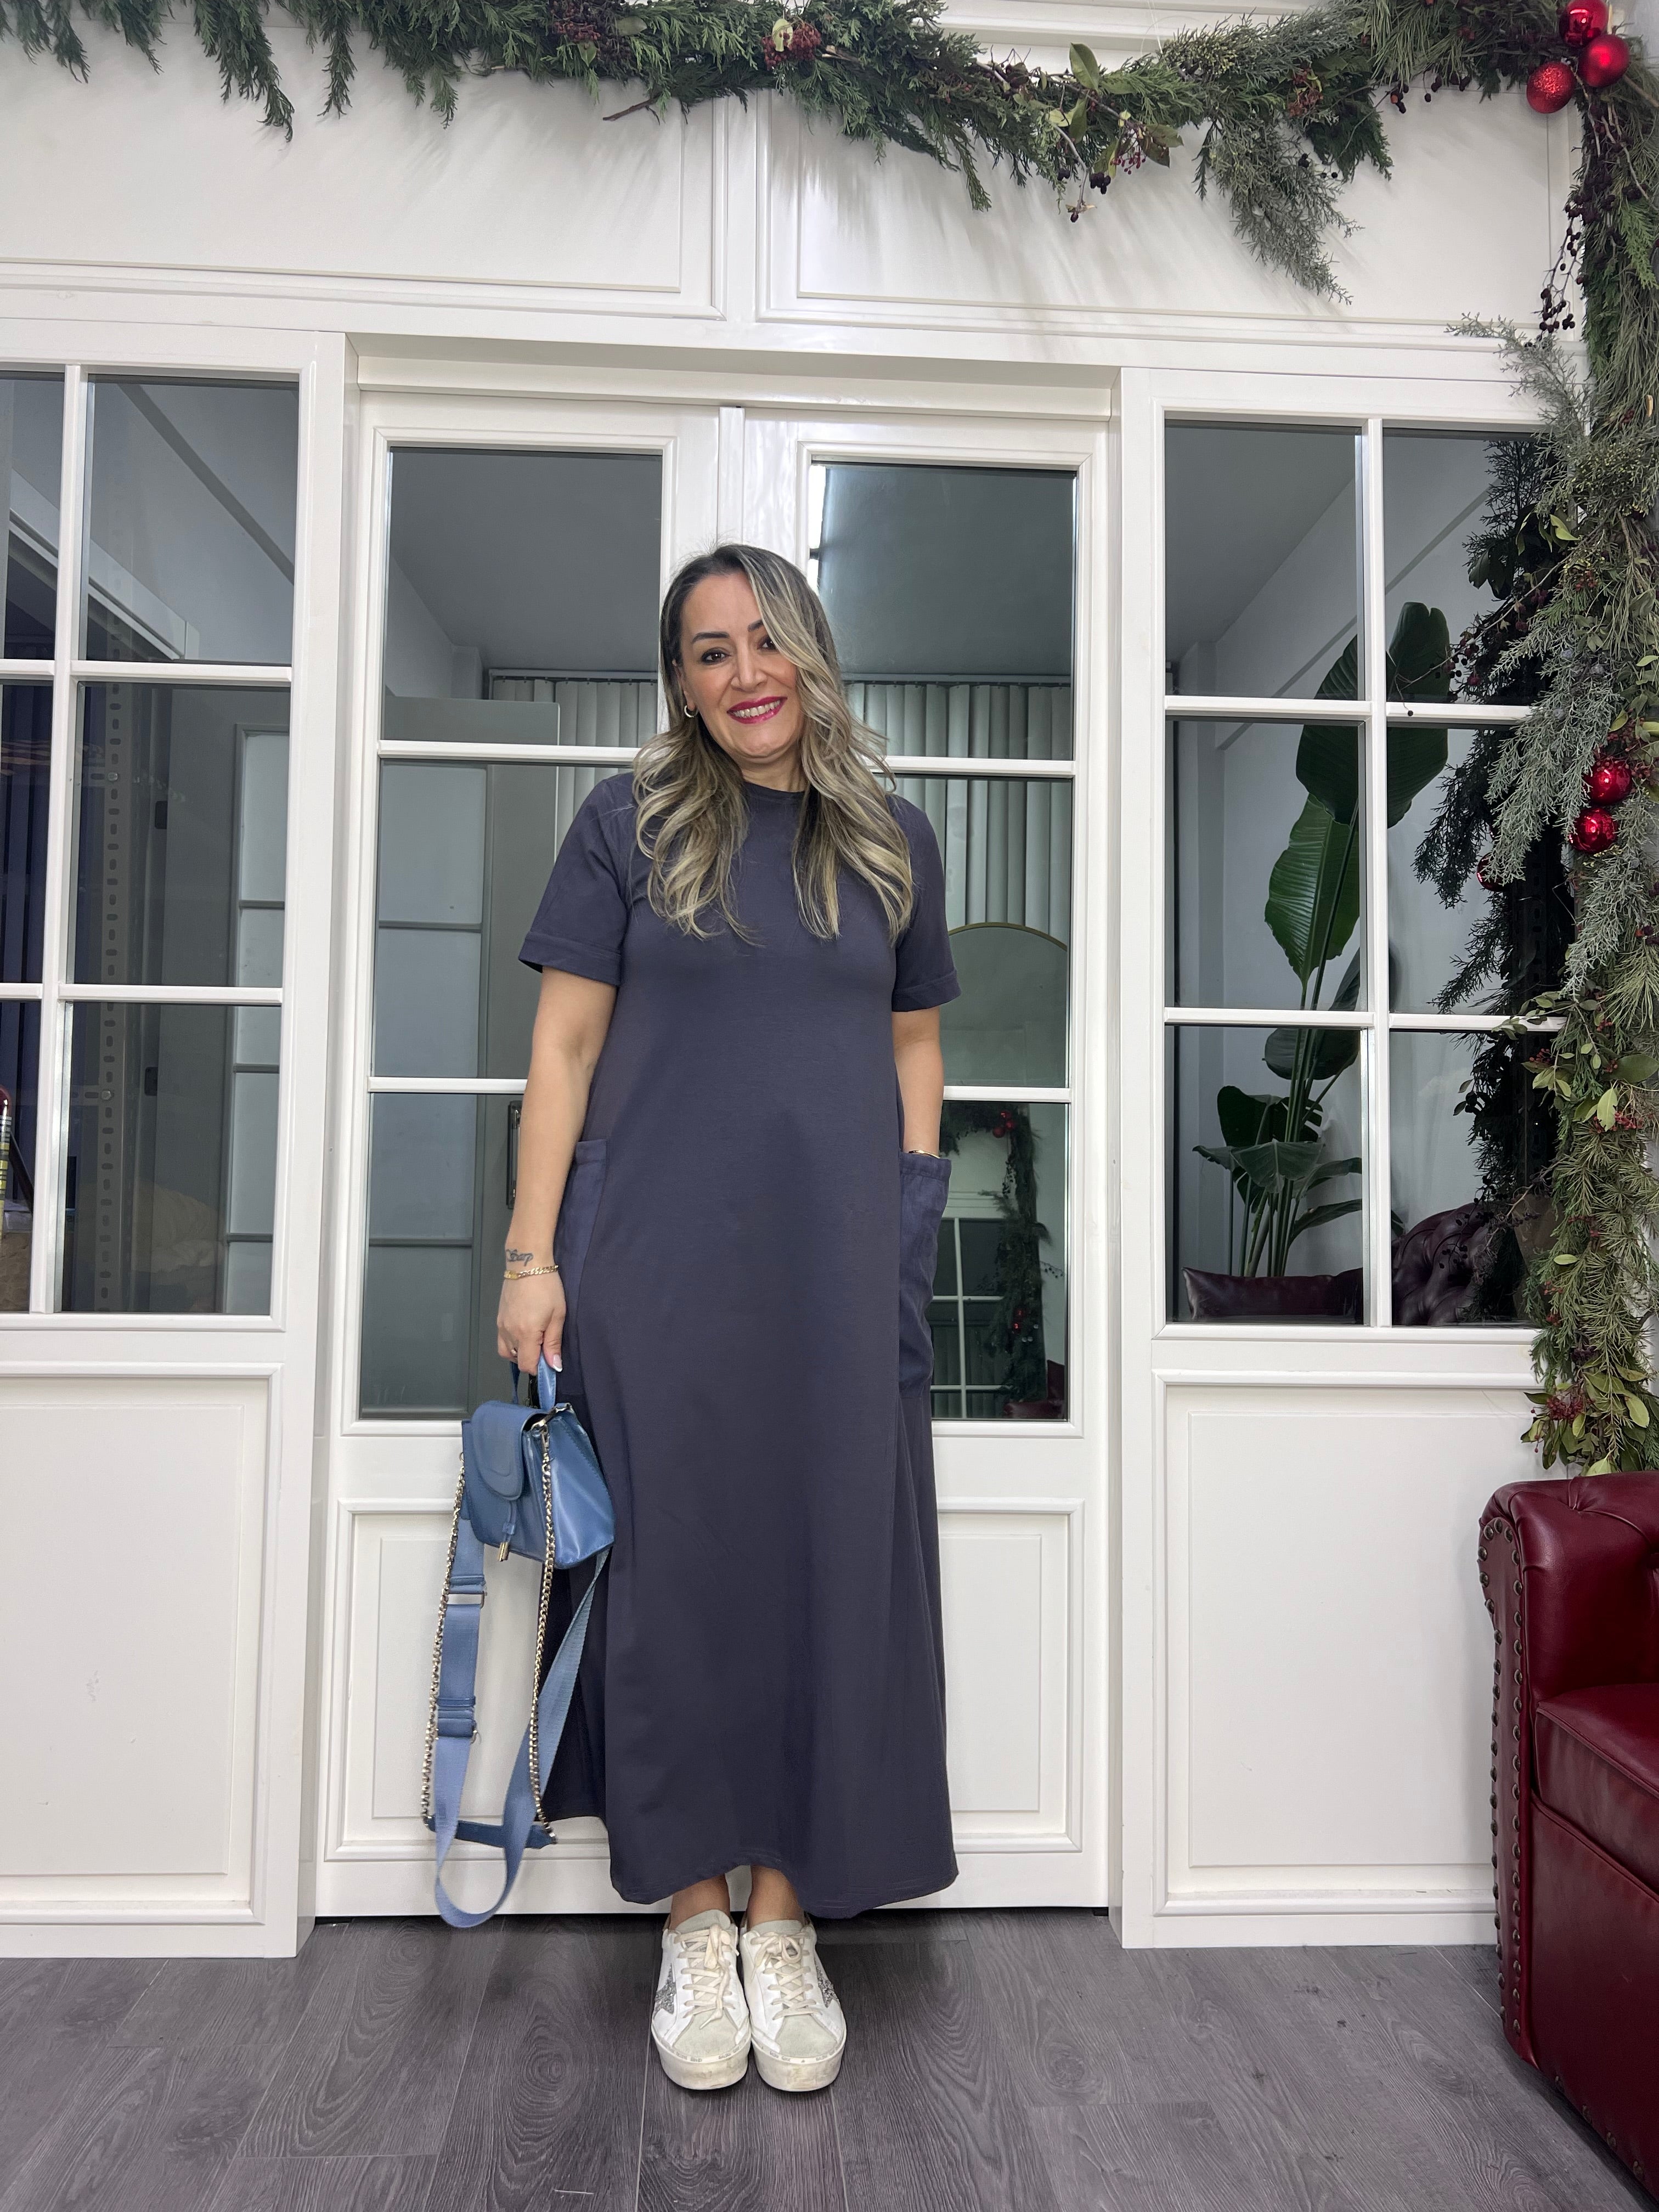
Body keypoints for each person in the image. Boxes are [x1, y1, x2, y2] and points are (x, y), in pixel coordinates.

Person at [500, 543, 959, 2095]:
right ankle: (694, 1919)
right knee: (674, 1577)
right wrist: (531, 1255)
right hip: (652, 1263)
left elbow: (914, 1050)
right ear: (681, 683)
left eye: (767, 641)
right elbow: (563, 1051)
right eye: (711, 651)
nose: (746, 673)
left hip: (841, 1265)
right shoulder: (623, 827)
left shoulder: (892, 838)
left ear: (809, 652)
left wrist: (907, 1220)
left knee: (833, 1563)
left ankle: (785, 1921)